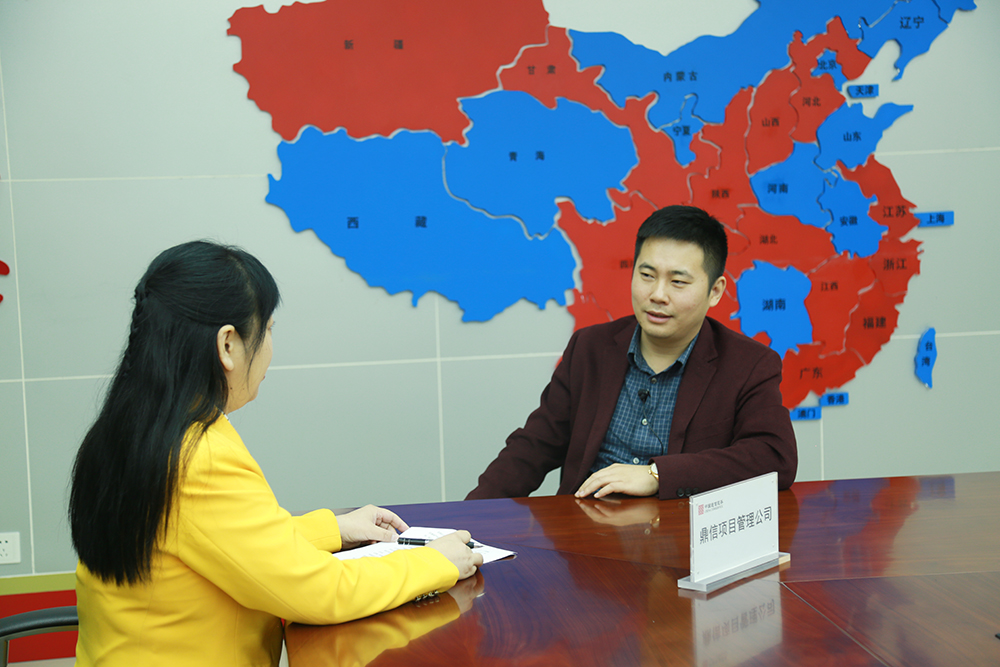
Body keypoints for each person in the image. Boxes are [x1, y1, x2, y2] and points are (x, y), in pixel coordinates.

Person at [68, 240, 482, 667]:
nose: (269, 348)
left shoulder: (134, 430)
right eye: (266, 330)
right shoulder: (198, 457)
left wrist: (333, 529)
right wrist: (434, 563)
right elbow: (320, 593)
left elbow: (222, 540)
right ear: (228, 345)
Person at [467, 205, 797, 500]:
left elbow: (773, 456)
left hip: (681, 536)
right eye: (647, 275)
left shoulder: (748, 364)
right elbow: (532, 448)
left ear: (715, 291)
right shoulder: (590, 348)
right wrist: (465, 524)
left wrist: (657, 475)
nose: (657, 295)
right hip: (584, 533)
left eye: (678, 282)